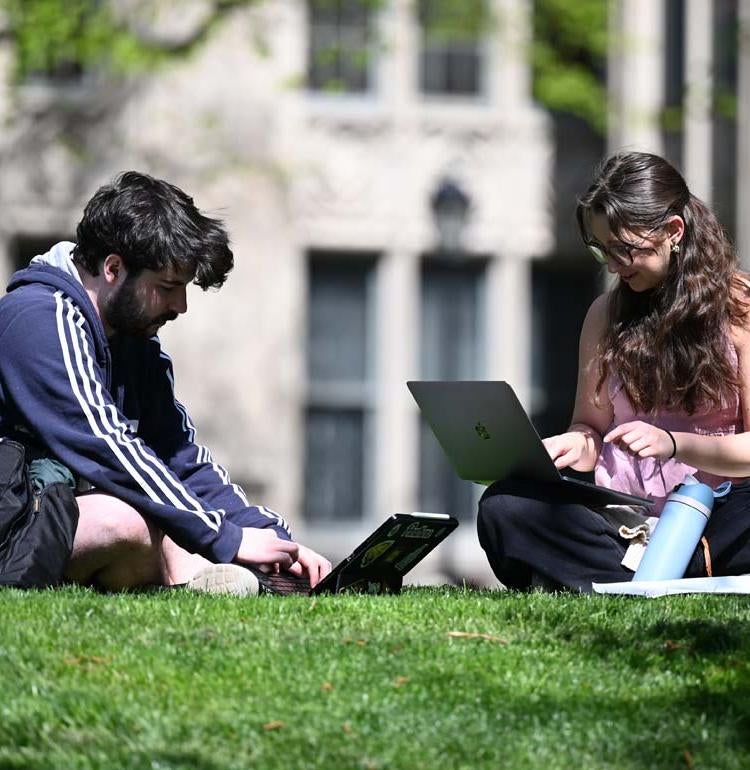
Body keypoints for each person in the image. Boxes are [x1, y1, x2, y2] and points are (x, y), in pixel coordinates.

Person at [0, 171, 331, 594]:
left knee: (145, 508)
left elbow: (179, 457)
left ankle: (247, 577)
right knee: (126, 518)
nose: (182, 305)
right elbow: (108, 448)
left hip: (55, 518)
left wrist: (271, 537)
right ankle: (194, 577)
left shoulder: (133, 340)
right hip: (14, 526)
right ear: (113, 268)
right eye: (168, 287)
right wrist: (227, 539)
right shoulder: (39, 319)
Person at [478, 151, 750, 592]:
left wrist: (675, 444)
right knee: (504, 507)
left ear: (673, 232)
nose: (612, 265)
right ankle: (653, 574)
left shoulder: (740, 308)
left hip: (716, 515)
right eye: (602, 250)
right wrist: (573, 443)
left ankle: (627, 574)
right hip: (625, 520)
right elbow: (590, 429)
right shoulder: (604, 314)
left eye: (625, 249)